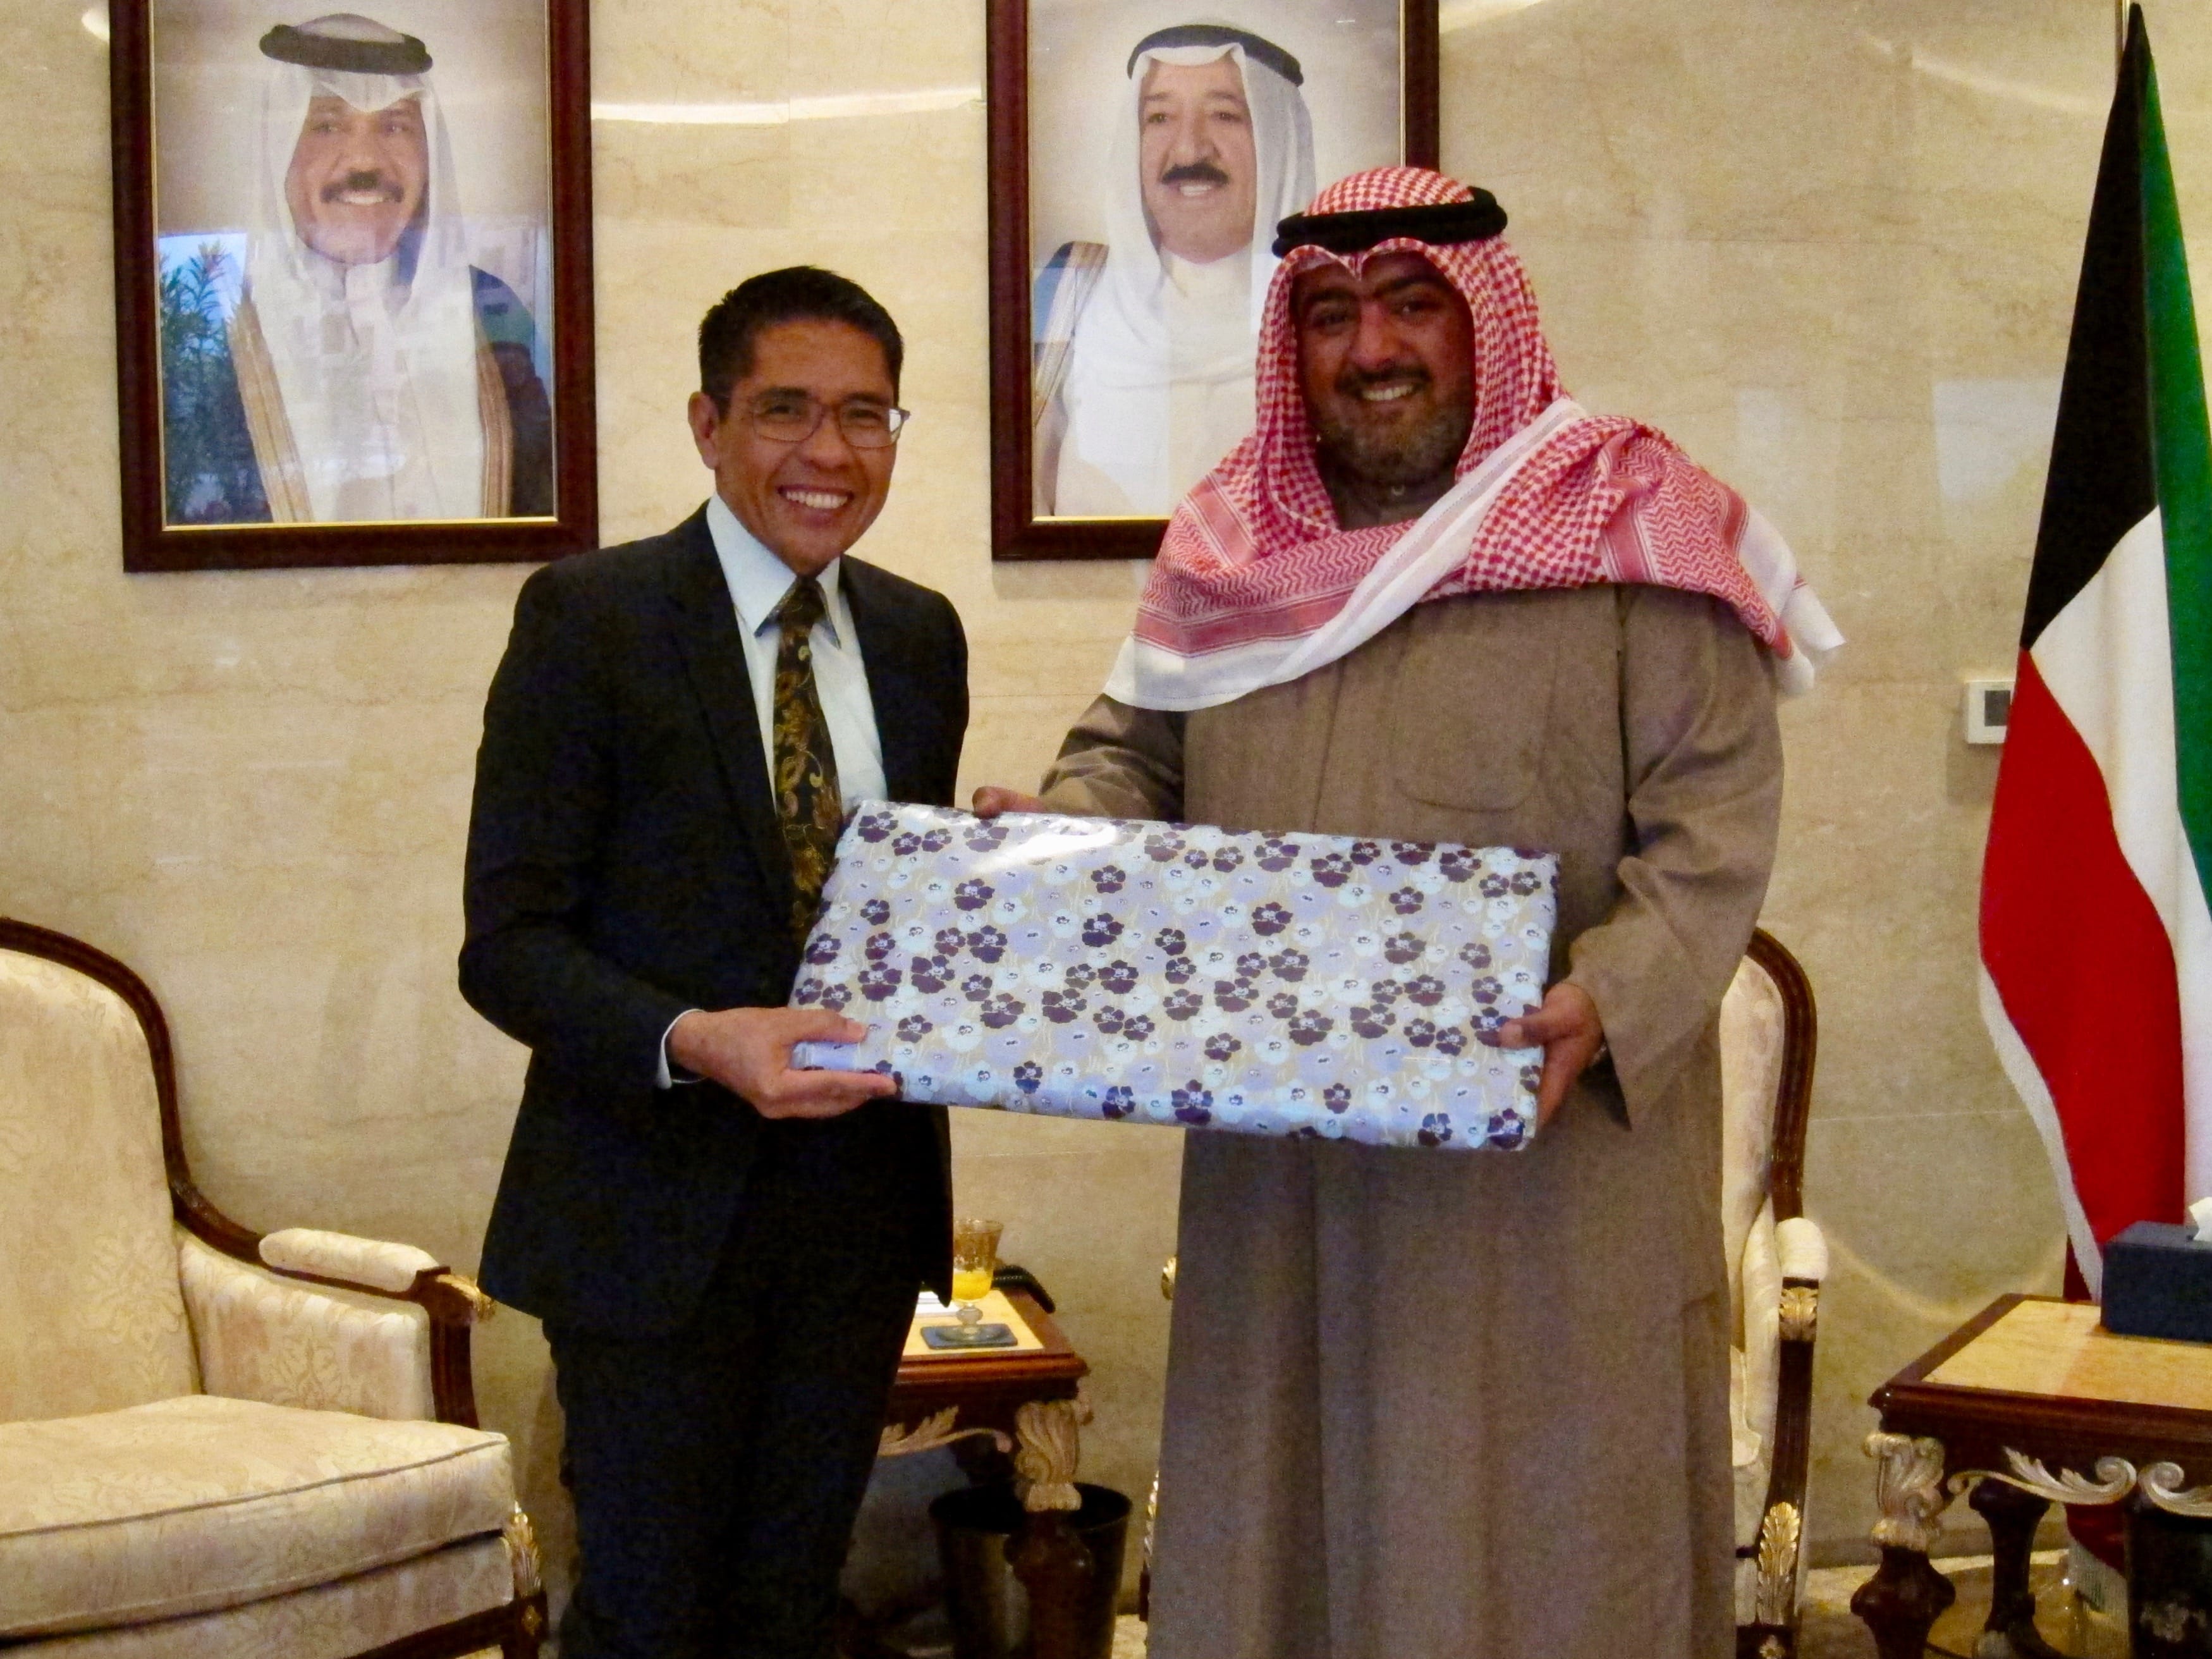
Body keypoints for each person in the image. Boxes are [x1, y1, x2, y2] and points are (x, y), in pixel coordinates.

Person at [977, 167, 1841, 1659]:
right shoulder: (1227, 545)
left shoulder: (1631, 518)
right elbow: (1132, 748)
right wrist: (1067, 840)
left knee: (1542, 1546)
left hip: (1536, 1175)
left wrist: (1604, 993)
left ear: (1485, 321)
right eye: (1325, 312)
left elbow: (1708, 826)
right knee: (1283, 1538)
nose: (1366, 346)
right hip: (1285, 1183)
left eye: (1407, 304)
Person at [460, 267, 966, 1658]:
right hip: (647, 1220)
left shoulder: (921, 636)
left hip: (855, 1220)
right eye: (785, 410)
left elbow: (893, 924)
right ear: (707, 421)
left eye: (866, 415)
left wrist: (1006, 898)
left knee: (791, 1608)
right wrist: (696, 1035)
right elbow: (506, 946)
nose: (829, 453)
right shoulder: (591, 618)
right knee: (645, 1616)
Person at [167, 11, 550, 525]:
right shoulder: (207, 329)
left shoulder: (493, 311)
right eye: (327, 126)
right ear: (277, 151)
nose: (365, 161)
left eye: (395, 127)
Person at [1032, 23, 1314, 517]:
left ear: (1279, 141)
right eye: (1159, 117)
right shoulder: (1069, 292)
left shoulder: (1326, 312)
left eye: (1225, 115)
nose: (1188, 151)